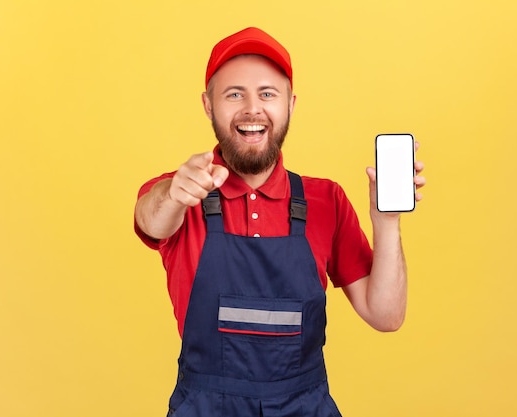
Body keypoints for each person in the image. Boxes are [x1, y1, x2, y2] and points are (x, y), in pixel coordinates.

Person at [134, 27, 426, 417]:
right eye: (234, 94)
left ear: (291, 103)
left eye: (267, 94)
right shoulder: (182, 192)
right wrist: (173, 194)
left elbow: (386, 316)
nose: (252, 109)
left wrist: (386, 221)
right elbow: (152, 220)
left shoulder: (327, 200)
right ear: (208, 105)